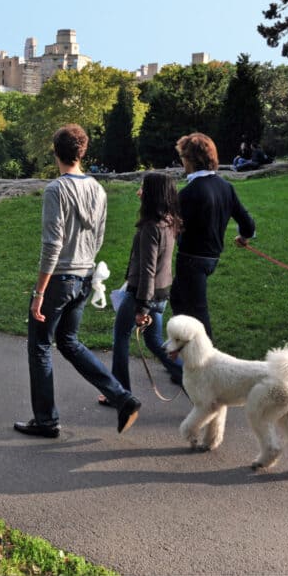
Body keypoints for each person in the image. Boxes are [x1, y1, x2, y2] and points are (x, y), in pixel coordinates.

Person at [14, 124, 141, 439]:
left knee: (40, 344)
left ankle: (46, 420)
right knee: (69, 342)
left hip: (60, 278)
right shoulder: (97, 189)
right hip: (85, 276)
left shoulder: (56, 189)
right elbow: (98, 238)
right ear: (82, 152)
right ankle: (121, 396)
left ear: (56, 152)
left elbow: (52, 244)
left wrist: (39, 291)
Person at [169, 133, 255, 377]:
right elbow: (247, 222)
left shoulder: (188, 193)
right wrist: (244, 237)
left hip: (191, 258)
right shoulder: (226, 187)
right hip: (211, 258)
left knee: (196, 310)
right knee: (178, 299)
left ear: (191, 160)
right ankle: (186, 356)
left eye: (183, 158)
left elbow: (172, 226)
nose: (182, 163)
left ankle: (208, 368)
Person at [102, 171, 184, 403]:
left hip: (141, 295)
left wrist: (143, 308)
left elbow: (148, 268)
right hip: (161, 293)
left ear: (152, 195)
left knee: (120, 337)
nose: (139, 192)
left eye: (143, 188)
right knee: (155, 343)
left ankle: (119, 394)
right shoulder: (170, 222)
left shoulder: (150, 227)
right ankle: (191, 377)